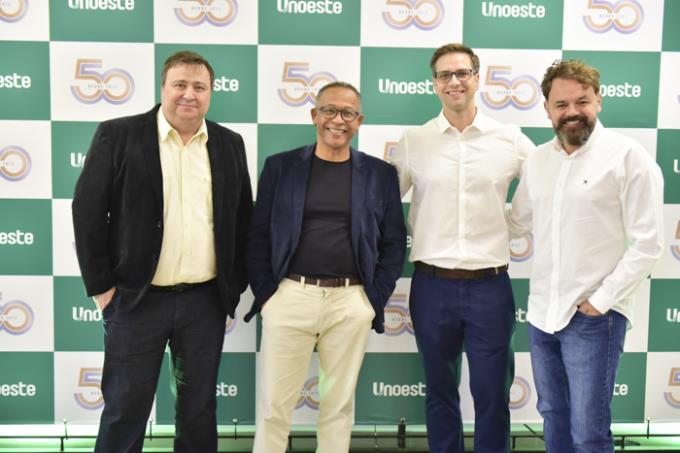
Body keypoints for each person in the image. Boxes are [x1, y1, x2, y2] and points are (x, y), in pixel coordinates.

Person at [72, 50, 252, 453]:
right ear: (163, 88)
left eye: (199, 87)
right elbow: (87, 211)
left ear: (211, 93)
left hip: (205, 301)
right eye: (180, 85)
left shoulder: (229, 143)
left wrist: (233, 285)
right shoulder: (118, 135)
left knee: (199, 410)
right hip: (136, 300)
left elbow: (243, 218)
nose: (189, 94)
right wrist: (102, 287)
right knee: (125, 409)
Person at [508, 59, 664, 453]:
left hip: (593, 318)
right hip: (542, 314)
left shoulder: (628, 157)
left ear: (599, 100)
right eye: (561, 104)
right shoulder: (537, 160)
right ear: (547, 108)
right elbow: (516, 223)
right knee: (553, 417)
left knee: (588, 431)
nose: (572, 112)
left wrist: (601, 301)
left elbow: (649, 243)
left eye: (582, 101)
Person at [245, 81, 406, 453]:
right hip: (290, 297)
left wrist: (372, 300)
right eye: (329, 110)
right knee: (273, 408)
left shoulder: (380, 174)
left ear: (359, 121)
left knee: (338, 407)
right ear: (314, 115)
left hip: (351, 302)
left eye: (348, 113)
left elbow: (394, 243)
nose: (338, 120)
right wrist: (268, 295)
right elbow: (256, 237)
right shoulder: (281, 167)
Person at [390, 43, 535, 453]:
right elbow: (384, 204)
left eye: (462, 73)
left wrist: (513, 224)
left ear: (477, 77)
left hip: (490, 286)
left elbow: (544, 184)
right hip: (431, 285)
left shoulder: (509, 139)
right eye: (444, 75)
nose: (453, 81)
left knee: (492, 394)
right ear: (434, 83)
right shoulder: (414, 141)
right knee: (439, 390)